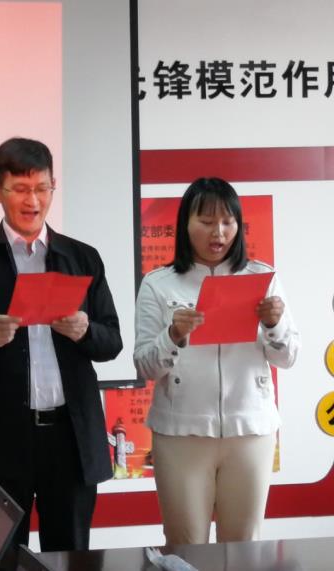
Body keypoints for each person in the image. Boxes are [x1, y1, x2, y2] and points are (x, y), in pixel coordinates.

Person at [0, 137, 122, 551]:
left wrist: (85, 331)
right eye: (19, 189)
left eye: (41, 188)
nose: (32, 200)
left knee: (69, 556)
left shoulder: (82, 257)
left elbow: (112, 341)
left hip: (69, 438)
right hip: (0, 438)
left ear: (54, 186)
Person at [133, 177, 300, 545]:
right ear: (185, 224)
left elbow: (288, 357)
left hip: (251, 431)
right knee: (186, 544)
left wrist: (274, 324)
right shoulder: (159, 283)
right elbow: (145, 365)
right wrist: (173, 334)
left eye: (227, 222)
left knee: (243, 544)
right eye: (206, 222)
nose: (218, 233)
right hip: (181, 433)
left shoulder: (262, 277)